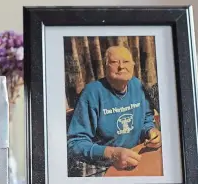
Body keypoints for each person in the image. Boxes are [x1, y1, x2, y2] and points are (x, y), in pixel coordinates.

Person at [67, 45, 161, 176]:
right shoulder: (92, 93)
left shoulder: (137, 85)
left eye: (126, 61)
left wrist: (151, 131)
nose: (121, 66)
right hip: (101, 164)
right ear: (105, 67)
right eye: (114, 62)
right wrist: (112, 154)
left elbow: (146, 119)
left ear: (133, 65)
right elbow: (75, 144)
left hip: (134, 157)